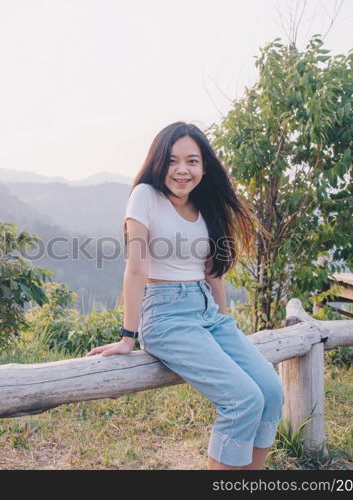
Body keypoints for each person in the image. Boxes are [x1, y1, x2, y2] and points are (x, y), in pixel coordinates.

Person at [85, 121, 285, 470]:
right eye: (173, 160)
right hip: (166, 316)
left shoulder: (205, 206)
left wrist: (224, 323)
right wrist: (127, 337)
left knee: (270, 391)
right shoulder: (145, 197)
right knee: (243, 400)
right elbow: (136, 268)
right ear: (158, 162)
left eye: (192, 161)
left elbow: (213, 272)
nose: (182, 169)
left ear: (204, 167)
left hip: (208, 315)